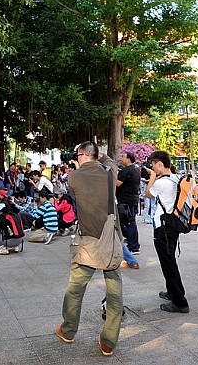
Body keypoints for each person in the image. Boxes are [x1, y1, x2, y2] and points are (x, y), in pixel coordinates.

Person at [55, 141, 122, 357]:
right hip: (110, 241)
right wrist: (97, 155)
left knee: (75, 289)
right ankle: (108, 342)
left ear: (81, 155)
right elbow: (111, 162)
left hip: (88, 244)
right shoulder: (110, 172)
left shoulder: (74, 176)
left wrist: (80, 164)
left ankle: (68, 331)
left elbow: (74, 194)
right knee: (114, 291)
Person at [148, 150, 189, 314]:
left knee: (168, 263)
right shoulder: (176, 178)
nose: (153, 168)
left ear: (159, 164)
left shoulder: (161, 182)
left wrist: (152, 177)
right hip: (172, 224)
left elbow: (148, 194)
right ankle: (172, 291)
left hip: (163, 227)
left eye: (153, 165)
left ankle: (180, 302)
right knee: (169, 259)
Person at [116, 151, 141, 255]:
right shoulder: (136, 169)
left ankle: (134, 246)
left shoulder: (126, 170)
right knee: (130, 221)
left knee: (128, 222)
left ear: (128, 159)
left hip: (126, 200)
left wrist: (112, 175)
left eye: (123, 157)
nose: (121, 159)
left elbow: (118, 183)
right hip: (133, 199)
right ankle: (132, 243)